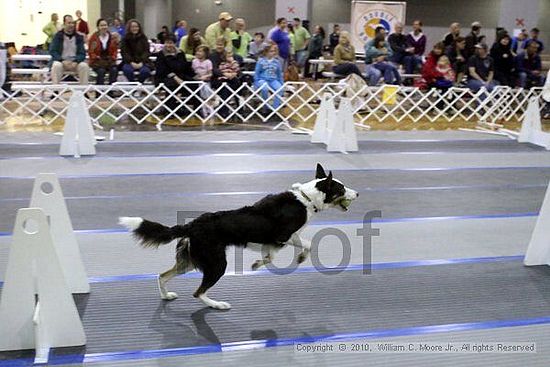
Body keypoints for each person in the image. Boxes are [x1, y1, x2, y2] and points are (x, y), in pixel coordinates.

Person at [154, 34, 198, 116]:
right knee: (172, 84)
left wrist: (196, 76)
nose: (168, 45)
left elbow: (185, 67)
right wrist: (175, 77)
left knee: (194, 84)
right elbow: (162, 70)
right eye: (166, 43)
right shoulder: (161, 54)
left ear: (174, 43)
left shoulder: (180, 53)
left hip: (181, 76)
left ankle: (197, 110)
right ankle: (170, 111)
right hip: (164, 77)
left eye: (170, 43)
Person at [49, 14, 89, 85]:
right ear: (64, 24)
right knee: (56, 66)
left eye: (73, 23)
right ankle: (55, 91)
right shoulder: (58, 36)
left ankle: (84, 91)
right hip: (61, 62)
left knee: (84, 66)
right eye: (69, 23)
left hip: (75, 62)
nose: (71, 25)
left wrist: (76, 61)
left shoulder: (79, 37)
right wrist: (62, 60)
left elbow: (82, 53)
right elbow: (52, 51)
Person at [254, 44, 284, 114]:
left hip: (273, 80)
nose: (272, 53)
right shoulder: (260, 61)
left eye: (273, 51)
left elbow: (279, 74)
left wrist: (282, 83)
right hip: (262, 79)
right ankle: (265, 107)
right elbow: (257, 73)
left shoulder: (277, 62)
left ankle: (275, 108)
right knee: (264, 89)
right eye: (271, 51)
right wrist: (256, 82)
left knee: (280, 89)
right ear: (266, 52)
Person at [88, 18, 118, 86]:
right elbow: (91, 51)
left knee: (114, 70)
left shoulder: (112, 37)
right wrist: (96, 58)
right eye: (101, 25)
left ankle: (111, 91)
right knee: (101, 71)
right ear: (98, 27)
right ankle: (99, 92)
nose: (104, 27)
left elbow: (115, 50)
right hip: (97, 62)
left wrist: (112, 57)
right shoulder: (93, 38)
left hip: (109, 61)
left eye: (105, 25)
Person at [212, 50, 242, 117]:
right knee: (225, 88)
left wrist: (233, 73)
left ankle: (238, 107)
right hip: (224, 79)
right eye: (228, 56)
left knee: (235, 82)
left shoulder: (235, 63)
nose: (230, 57)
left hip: (233, 79)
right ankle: (224, 110)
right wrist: (226, 73)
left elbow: (237, 70)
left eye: (231, 56)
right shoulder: (222, 64)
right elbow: (220, 70)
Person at [120, 19, 152, 83]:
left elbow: (146, 51)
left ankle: (139, 86)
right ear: (129, 28)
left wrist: (141, 62)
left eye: (136, 26)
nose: (135, 28)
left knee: (145, 72)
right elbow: (124, 52)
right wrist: (131, 62)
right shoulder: (125, 39)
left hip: (143, 62)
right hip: (129, 62)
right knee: (128, 71)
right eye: (133, 27)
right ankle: (133, 88)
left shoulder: (144, 38)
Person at [192, 45, 216, 118]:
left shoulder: (208, 62)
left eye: (200, 51)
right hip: (197, 81)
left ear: (205, 53)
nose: (198, 53)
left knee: (207, 95)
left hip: (205, 81)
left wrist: (204, 77)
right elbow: (192, 71)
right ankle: (201, 110)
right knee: (199, 96)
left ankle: (210, 109)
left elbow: (210, 73)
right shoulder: (194, 61)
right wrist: (196, 77)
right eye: (197, 51)